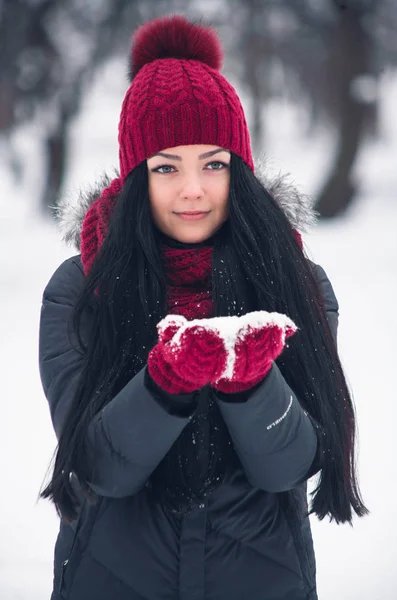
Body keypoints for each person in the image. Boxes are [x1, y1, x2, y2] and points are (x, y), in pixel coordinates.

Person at [39, 15, 367, 600]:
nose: (193, 189)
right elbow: (101, 469)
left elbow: (289, 467)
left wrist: (250, 384)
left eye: (213, 164)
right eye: (166, 167)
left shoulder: (296, 286)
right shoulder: (80, 289)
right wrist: (164, 384)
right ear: (138, 176)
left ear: (237, 169)